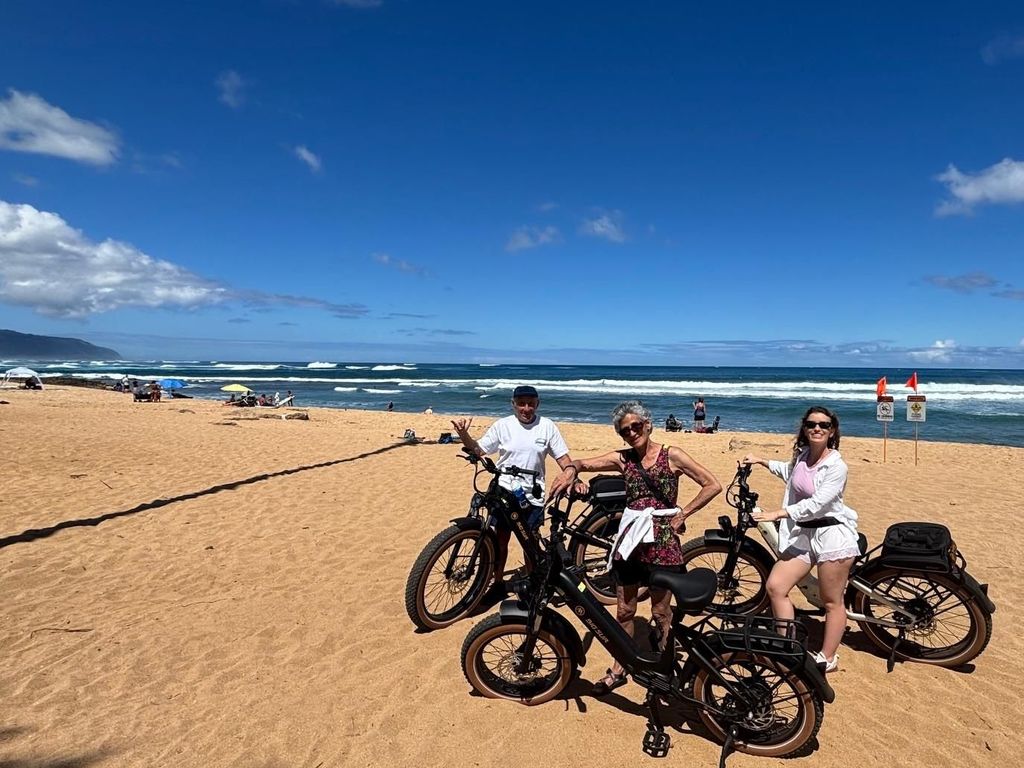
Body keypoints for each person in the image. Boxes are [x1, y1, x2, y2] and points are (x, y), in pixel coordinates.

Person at [548, 400, 721, 695]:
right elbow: (583, 463)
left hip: (663, 542)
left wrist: (684, 513)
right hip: (631, 542)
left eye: (636, 426)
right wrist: (570, 471)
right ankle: (619, 667)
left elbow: (712, 484)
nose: (631, 433)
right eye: (625, 430)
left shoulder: (672, 455)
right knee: (625, 610)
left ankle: (664, 664)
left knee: (660, 611)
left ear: (649, 425)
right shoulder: (623, 459)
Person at [744, 405, 859, 673]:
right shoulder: (802, 457)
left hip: (832, 536)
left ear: (832, 432)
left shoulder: (836, 466)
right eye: (811, 424)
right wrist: (760, 461)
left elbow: (818, 503)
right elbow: (789, 472)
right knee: (776, 586)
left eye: (823, 425)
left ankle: (828, 658)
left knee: (832, 601)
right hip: (804, 535)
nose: (817, 428)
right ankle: (786, 646)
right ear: (804, 429)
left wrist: (778, 513)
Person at [452, 385, 580, 601]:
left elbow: (563, 458)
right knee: (500, 541)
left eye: (531, 403)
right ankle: (498, 583)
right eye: (521, 403)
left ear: (537, 404)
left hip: (532, 496)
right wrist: (464, 434)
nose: (526, 408)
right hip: (503, 493)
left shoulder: (547, 426)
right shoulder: (503, 425)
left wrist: (574, 477)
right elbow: (478, 449)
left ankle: (533, 583)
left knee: (529, 544)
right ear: (513, 404)